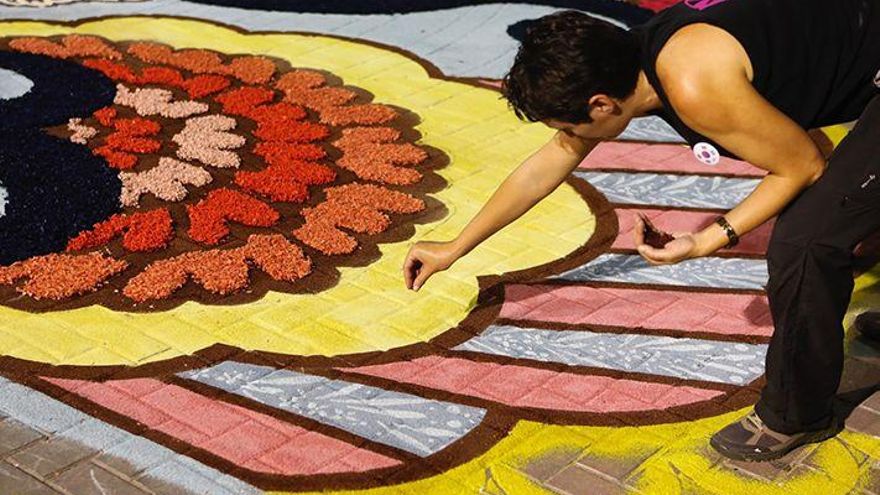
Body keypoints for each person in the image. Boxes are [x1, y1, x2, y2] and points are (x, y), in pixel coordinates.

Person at [402, 0, 880, 462]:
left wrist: (705, 239)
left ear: (602, 104)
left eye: (569, 124)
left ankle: (794, 414)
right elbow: (547, 165)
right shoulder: (628, 55)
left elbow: (801, 166)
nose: (571, 137)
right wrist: (455, 247)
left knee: (807, 241)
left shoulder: (692, 82)